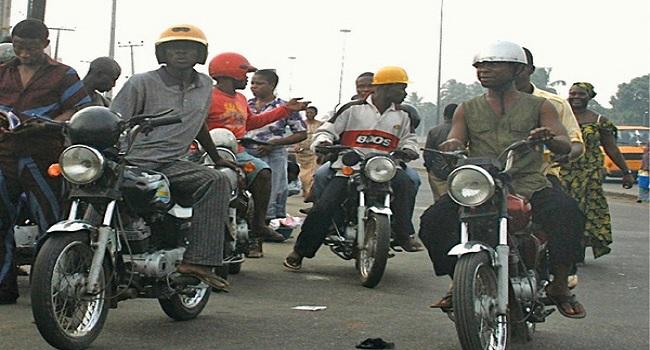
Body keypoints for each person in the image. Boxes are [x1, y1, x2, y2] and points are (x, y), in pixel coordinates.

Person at [420, 41, 586, 318]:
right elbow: (456, 137)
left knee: (569, 214)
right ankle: (459, 282)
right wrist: (451, 145)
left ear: (517, 69)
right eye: (480, 65)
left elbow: (564, 143)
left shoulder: (541, 106)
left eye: (493, 64)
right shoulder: (467, 108)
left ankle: (559, 286)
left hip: (529, 182)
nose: (484, 70)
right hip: (482, 183)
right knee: (432, 222)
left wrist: (549, 139)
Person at [110, 24, 234, 291]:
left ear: (200, 54)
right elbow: (114, 121)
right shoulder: (140, 82)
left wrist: (216, 157)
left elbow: (198, 122)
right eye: (173, 47)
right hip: (131, 162)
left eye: (189, 48)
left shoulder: (204, 86)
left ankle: (199, 261)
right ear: (162, 53)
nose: (181, 52)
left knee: (217, 180)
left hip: (171, 164)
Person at [283, 66, 422, 271]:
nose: (405, 93)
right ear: (384, 88)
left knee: (407, 183)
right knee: (324, 206)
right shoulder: (352, 109)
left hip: (384, 169)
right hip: (350, 168)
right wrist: (323, 142)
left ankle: (404, 233)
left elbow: (408, 139)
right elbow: (327, 130)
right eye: (400, 88)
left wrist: (409, 150)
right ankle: (300, 251)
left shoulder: (403, 115)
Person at [0, 19, 91, 304]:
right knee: (1, 220)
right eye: (18, 47)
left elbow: (80, 109)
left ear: (45, 44)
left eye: (30, 47)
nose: (24, 53)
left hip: (43, 158)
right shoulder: (3, 72)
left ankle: (51, 286)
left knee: (50, 222)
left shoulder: (63, 74)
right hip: (4, 155)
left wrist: (50, 123)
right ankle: (4, 285)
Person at [206, 52, 309, 258]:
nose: (247, 80)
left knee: (263, 172)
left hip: (239, 153)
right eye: (246, 74)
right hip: (206, 152)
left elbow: (251, 123)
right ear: (231, 72)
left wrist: (285, 110)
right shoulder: (207, 96)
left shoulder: (241, 99)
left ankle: (258, 224)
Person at [560, 82, 635, 260]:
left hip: (589, 174)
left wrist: (626, 172)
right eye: (573, 94)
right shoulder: (558, 117)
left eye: (581, 94)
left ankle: (578, 248)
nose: (576, 97)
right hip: (561, 171)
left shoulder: (599, 121)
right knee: (561, 210)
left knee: (585, 212)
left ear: (590, 97)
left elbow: (612, 149)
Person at [246, 69, 307, 225]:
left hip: (273, 155)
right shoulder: (245, 105)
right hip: (246, 152)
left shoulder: (286, 107)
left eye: (259, 83)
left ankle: (261, 232)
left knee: (269, 197)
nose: (254, 86)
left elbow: (301, 133)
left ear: (272, 85)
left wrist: (275, 143)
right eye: (252, 83)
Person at [423, 103, 457, 202]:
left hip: (437, 172)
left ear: (444, 115)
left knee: (439, 201)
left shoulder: (434, 131)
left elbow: (427, 154)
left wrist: (430, 169)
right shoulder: (465, 130)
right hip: (457, 172)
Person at [293, 106, 322, 199]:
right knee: (302, 174)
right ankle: (305, 190)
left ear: (315, 114)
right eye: (307, 112)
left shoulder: (320, 124)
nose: (309, 114)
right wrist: (296, 145)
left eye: (311, 113)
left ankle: (309, 192)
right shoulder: (301, 124)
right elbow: (296, 135)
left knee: (311, 173)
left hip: (313, 152)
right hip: (302, 153)